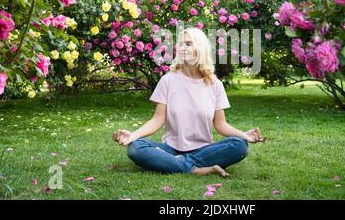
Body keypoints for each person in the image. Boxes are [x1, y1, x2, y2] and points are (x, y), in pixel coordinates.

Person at [113, 27, 266, 177]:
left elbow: (221, 125)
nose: (182, 48)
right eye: (180, 44)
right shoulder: (168, 80)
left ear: (201, 48)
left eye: (188, 44)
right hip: (171, 148)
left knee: (239, 145)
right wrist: (133, 135)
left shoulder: (215, 84)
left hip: (204, 150)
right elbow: (157, 119)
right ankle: (194, 169)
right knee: (136, 148)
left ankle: (177, 163)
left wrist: (244, 135)